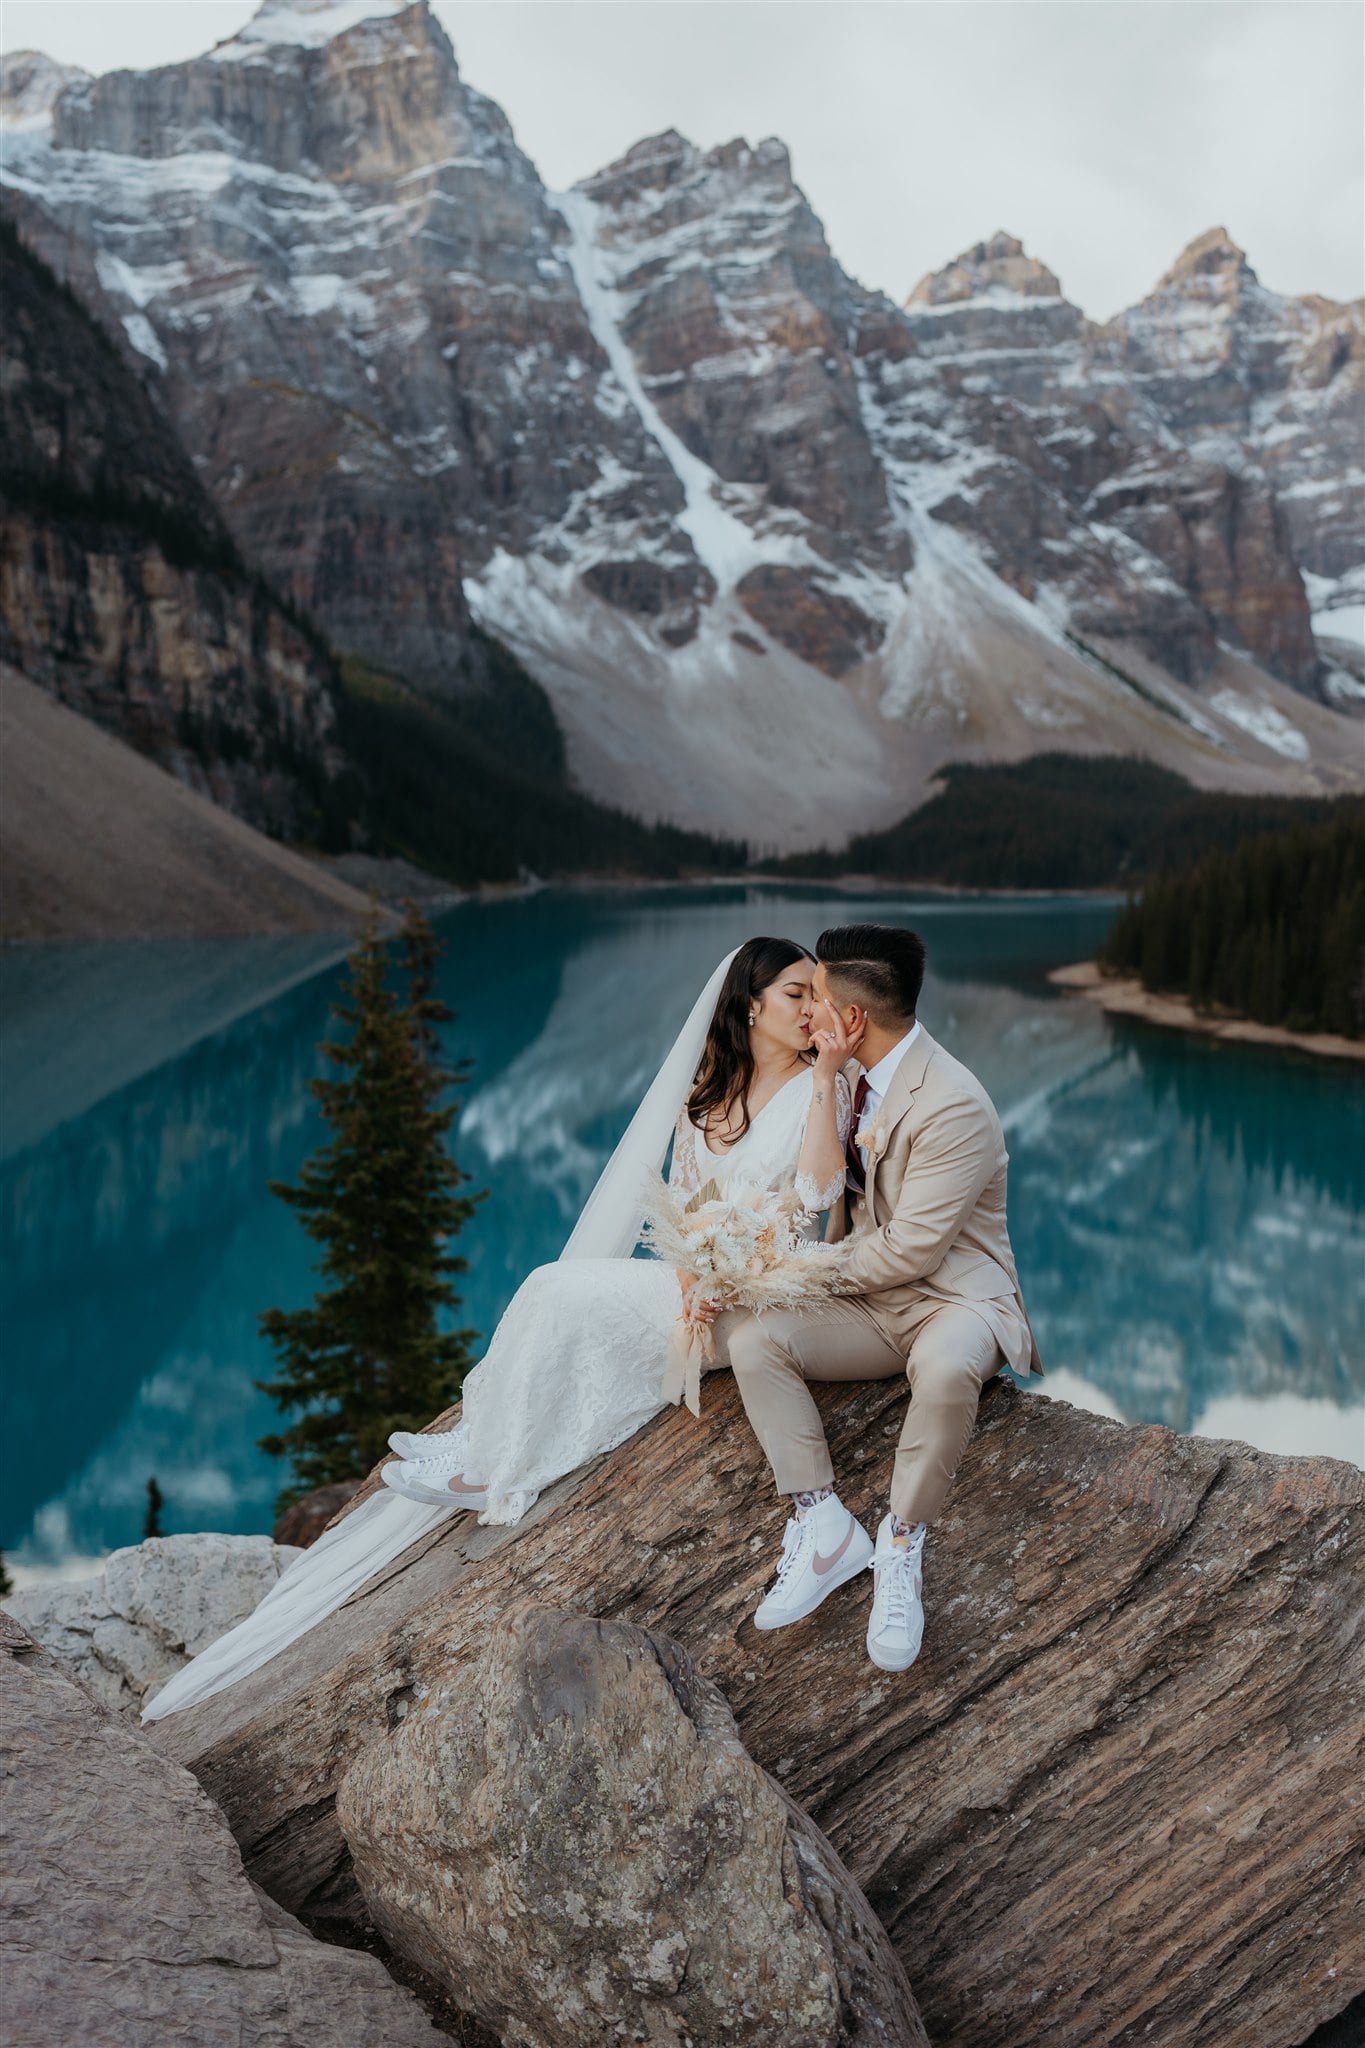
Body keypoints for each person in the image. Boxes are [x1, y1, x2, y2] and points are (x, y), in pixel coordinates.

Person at [142, 938, 854, 1723]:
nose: (811, 1010)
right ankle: (488, 1447)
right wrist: (697, 1269)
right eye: (795, 994)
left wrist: (823, 1079)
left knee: (558, 1289)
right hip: (698, 1282)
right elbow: (685, 1211)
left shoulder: (826, 1085)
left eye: (814, 996)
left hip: (767, 1295)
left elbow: (819, 1192)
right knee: (549, 1289)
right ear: (749, 1004)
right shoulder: (707, 1095)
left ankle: (494, 1463)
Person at [715, 922, 1042, 1676]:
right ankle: (821, 1522)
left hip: (951, 1298)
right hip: (872, 1302)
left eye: (818, 999)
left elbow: (911, 1252)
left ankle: (900, 1544)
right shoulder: (843, 1073)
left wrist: (790, 1273)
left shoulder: (952, 1102)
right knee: (756, 1342)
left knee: (949, 1367)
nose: (808, 1014)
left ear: (852, 1019)